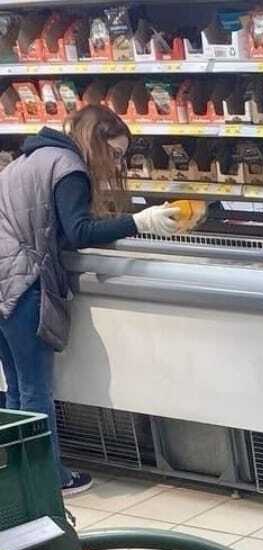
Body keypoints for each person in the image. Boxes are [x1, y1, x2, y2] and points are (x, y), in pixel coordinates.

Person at [0, 106, 180, 495]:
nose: (116, 162)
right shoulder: (69, 168)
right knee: (35, 390)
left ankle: (22, 477)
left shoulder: (31, 158)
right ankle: (50, 481)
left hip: (3, 279)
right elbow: (79, 231)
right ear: (95, 143)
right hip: (21, 283)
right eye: (115, 153)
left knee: (14, 389)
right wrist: (139, 221)